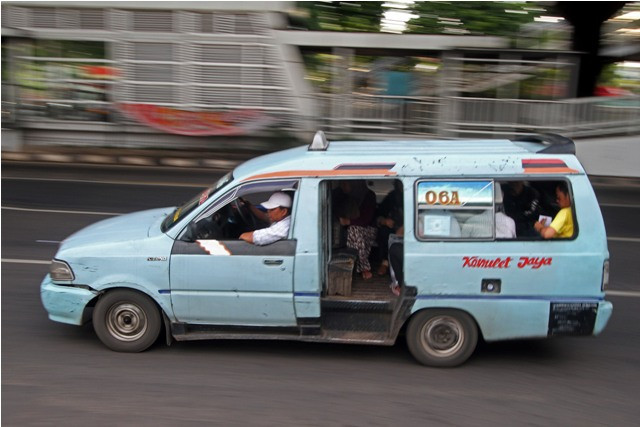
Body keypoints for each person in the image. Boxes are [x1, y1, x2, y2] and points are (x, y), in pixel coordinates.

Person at [338, 180, 377, 280]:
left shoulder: (369, 196)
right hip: (350, 229)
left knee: (353, 230)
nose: (342, 186)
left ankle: (364, 267)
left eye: (345, 183)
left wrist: (348, 221)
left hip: (368, 229)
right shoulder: (344, 196)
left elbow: (365, 220)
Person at [375, 181, 403, 276]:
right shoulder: (392, 197)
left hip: (413, 228)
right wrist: (384, 221)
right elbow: (379, 214)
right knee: (383, 232)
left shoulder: (417, 193)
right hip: (393, 227)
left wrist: (405, 227)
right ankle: (385, 263)